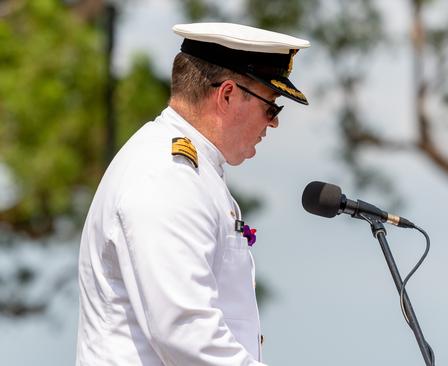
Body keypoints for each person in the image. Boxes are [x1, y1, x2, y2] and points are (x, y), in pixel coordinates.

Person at [75, 22, 310, 366]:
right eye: (271, 107)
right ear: (227, 95)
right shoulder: (167, 175)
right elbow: (185, 331)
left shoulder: (191, 170)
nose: (273, 123)